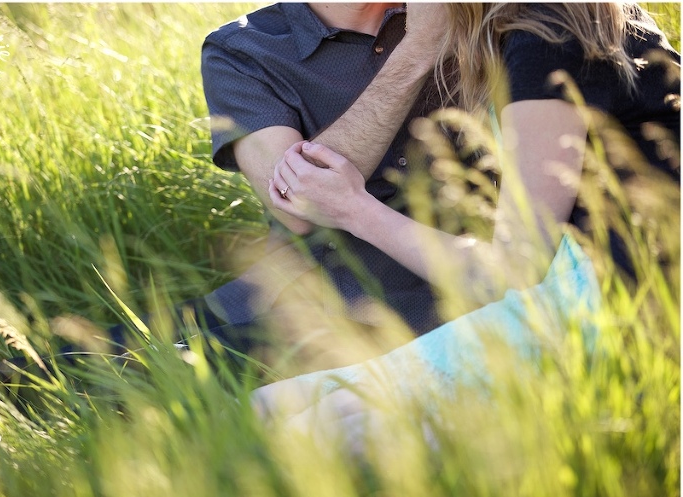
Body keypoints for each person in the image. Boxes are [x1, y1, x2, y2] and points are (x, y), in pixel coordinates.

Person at [251, 2, 680, 446]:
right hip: (586, 288)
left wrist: (355, 209)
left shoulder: (546, 36)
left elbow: (514, 267)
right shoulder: (533, 29)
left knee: (307, 433)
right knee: (267, 408)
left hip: (627, 310)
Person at [110, 3, 460, 374]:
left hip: (443, 298)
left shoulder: (470, 16)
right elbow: (297, 204)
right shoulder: (244, 50)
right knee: (83, 363)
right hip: (301, 300)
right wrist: (419, 49)